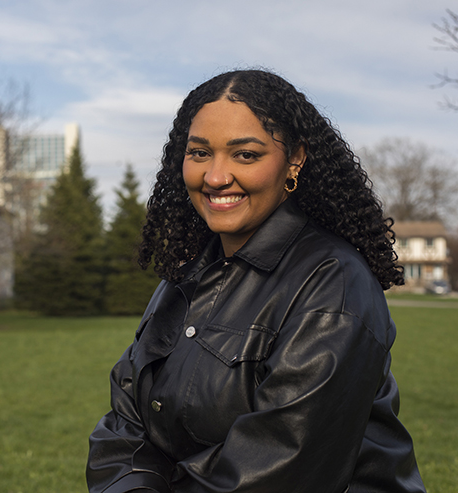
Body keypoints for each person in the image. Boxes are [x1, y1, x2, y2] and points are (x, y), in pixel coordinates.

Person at [87, 69, 426, 493]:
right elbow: (126, 423)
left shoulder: (333, 285)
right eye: (199, 153)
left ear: (295, 160)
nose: (215, 177)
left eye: (245, 155)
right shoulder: (186, 273)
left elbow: (279, 471)